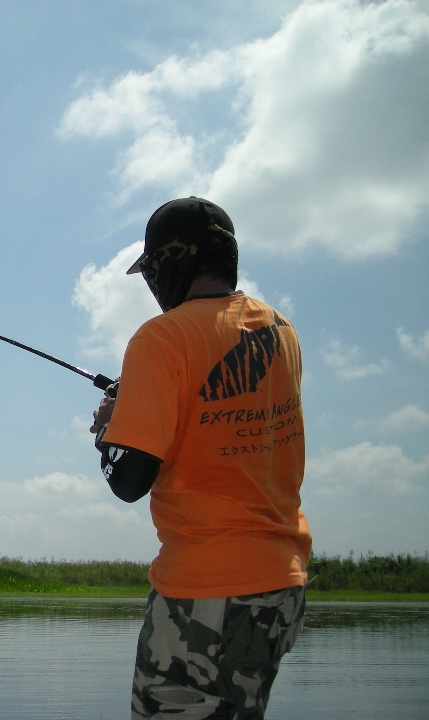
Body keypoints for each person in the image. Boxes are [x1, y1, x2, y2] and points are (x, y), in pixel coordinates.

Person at [90, 197, 312, 720]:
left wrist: (107, 431)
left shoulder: (160, 338)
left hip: (204, 590)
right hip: (280, 586)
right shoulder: (281, 330)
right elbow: (222, 421)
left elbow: (130, 478)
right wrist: (143, 398)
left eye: (151, 271)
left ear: (171, 263)